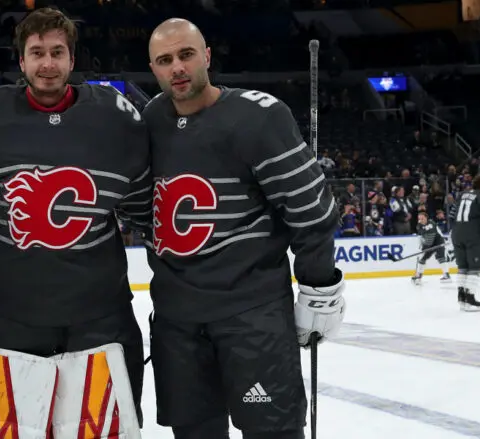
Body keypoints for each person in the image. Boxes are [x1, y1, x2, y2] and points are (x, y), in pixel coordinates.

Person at [142, 19, 345, 438]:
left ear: (207, 56)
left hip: (251, 317)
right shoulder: (152, 120)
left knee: (273, 431)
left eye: (186, 54)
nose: (177, 67)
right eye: (165, 60)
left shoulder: (258, 117)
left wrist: (318, 285)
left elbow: (311, 209)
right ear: (153, 68)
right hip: (177, 321)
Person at [0, 7, 151, 435]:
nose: (48, 63)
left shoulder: (115, 117)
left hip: (100, 318)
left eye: (57, 52)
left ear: (72, 58)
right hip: (7, 318)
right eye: (37, 52)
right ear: (21, 60)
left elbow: (145, 205)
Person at [449, 174, 480, 311]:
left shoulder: (461, 194)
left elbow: (451, 216)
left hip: (457, 234)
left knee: (463, 266)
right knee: (475, 267)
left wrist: (458, 231)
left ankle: (461, 298)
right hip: (473, 235)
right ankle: (470, 299)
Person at [411, 211, 451, 285]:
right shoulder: (419, 225)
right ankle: (419, 275)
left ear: (426, 218)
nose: (420, 220)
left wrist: (425, 248)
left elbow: (430, 238)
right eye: (419, 219)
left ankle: (446, 275)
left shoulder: (431, 224)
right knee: (422, 259)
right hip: (429, 243)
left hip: (439, 242)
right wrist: (422, 248)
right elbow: (422, 237)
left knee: (441, 258)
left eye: (422, 218)